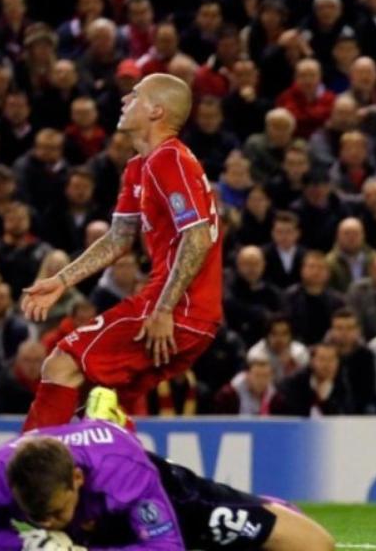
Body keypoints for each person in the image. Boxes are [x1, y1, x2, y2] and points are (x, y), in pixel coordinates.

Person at [18, 73, 223, 432]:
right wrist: (62, 280)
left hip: (176, 309)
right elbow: (118, 238)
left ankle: (20, 465)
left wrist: (164, 309)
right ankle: (118, 465)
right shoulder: (139, 167)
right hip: (188, 314)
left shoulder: (169, 159)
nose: (124, 100)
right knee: (95, 401)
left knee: (61, 364)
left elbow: (197, 237)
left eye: (135, 95)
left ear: (157, 111)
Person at [0, 414, 334, 550]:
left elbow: (165, 547)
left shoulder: (125, 474)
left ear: (77, 479)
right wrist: (23, 546)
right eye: (35, 518)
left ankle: (268, 506)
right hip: (96, 525)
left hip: (172, 499)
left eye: (56, 514)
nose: (47, 525)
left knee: (315, 544)